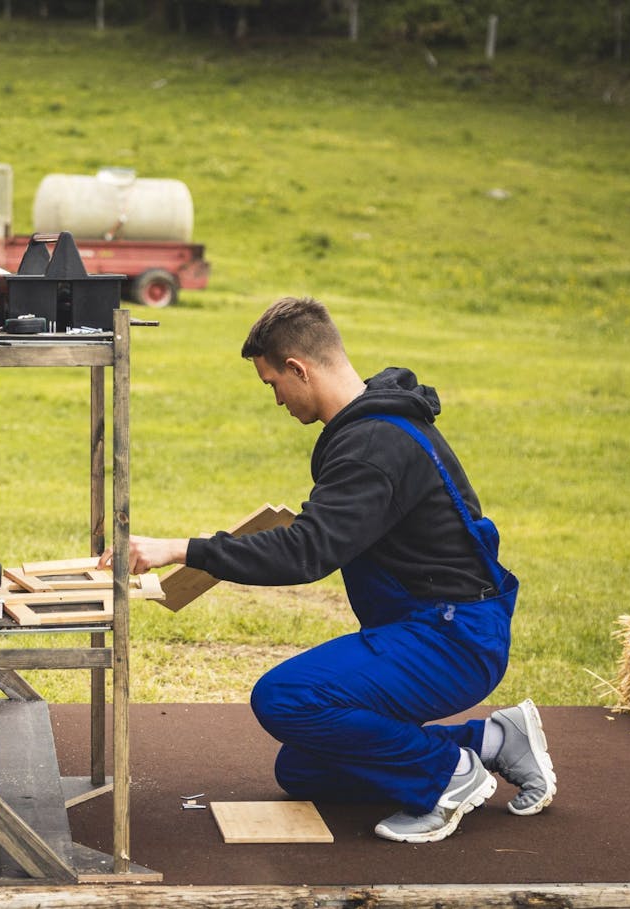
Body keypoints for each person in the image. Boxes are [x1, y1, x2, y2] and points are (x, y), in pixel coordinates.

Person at [112, 296, 556, 844]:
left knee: (284, 699)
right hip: (428, 624)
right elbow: (322, 535)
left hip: (453, 637)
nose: (275, 399)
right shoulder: (372, 428)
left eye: (273, 383)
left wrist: (181, 548)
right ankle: (491, 741)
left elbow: (308, 553)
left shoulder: (373, 445)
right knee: (302, 769)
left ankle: (448, 778)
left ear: (299, 369)